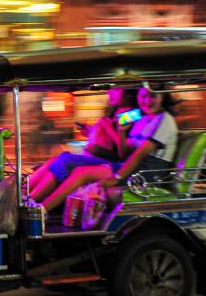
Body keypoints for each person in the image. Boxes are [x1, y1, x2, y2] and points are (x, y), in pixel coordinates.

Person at [32, 86, 178, 213]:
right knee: (63, 158)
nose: (147, 101)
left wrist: (115, 179)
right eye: (143, 96)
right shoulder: (142, 118)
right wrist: (121, 131)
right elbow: (124, 153)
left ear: (162, 96)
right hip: (128, 166)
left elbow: (140, 154)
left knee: (77, 169)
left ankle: (40, 209)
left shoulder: (164, 120)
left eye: (153, 96)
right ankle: (28, 198)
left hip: (144, 174)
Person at [26, 87, 138, 202]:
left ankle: (32, 200)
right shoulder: (116, 112)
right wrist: (92, 131)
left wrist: (104, 126)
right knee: (54, 160)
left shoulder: (132, 114)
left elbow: (122, 149)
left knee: (65, 159)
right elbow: (110, 137)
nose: (110, 93)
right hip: (99, 156)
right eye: (110, 89)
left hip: (114, 163)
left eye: (116, 89)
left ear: (127, 92)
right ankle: (24, 191)